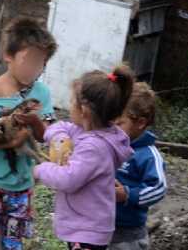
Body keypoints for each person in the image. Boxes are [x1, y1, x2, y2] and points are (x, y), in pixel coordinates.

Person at [0, 18, 58, 250]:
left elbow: (46, 135)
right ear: (9, 55)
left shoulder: (41, 92)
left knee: (15, 242)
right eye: (29, 60)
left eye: (41, 63)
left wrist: (35, 122)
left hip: (22, 183)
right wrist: (14, 139)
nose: (35, 69)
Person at [33, 66, 136, 250]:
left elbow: (68, 179)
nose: (69, 106)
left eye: (72, 102)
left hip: (87, 231)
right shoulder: (91, 132)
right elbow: (60, 127)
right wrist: (59, 138)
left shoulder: (94, 147)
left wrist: (41, 170)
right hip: (85, 226)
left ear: (84, 111)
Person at [111, 83, 167, 250]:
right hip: (98, 227)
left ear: (140, 123)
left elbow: (158, 188)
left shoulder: (148, 155)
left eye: (119, 123)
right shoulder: (109, 146)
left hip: (128, 236)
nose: (112, 128)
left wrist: (128, 195)